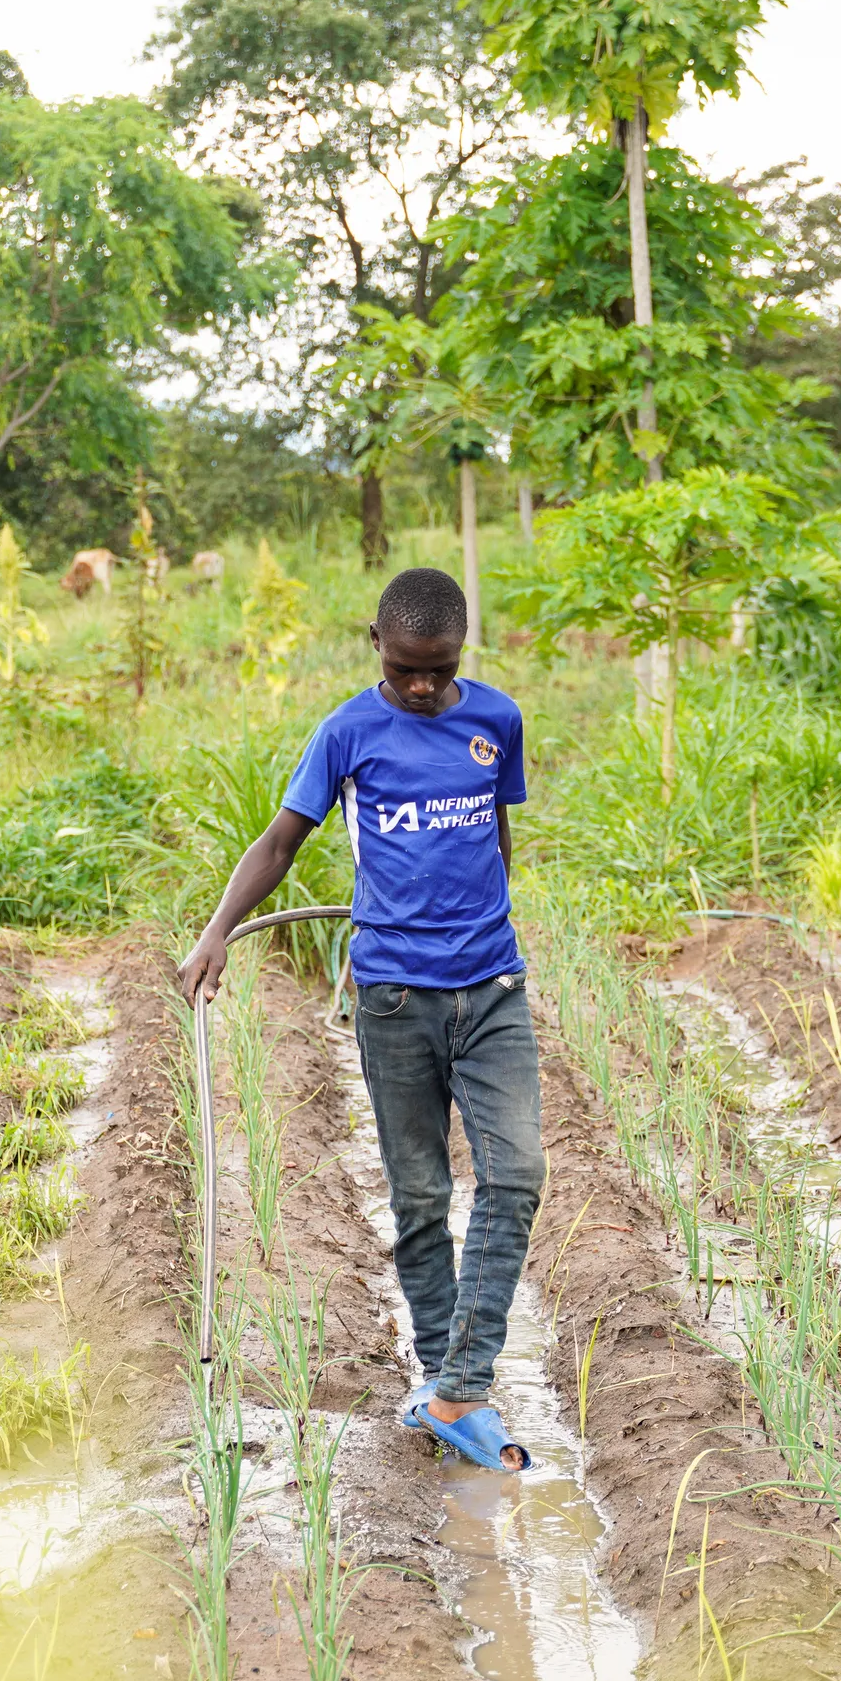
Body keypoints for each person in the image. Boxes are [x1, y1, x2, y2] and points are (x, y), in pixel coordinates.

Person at [179, 566, 543, 1471]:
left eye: (440, 669)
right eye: (407, 669)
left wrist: (484, 912)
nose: (423, 687)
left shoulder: (495, 721)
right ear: (374, 643)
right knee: (419, 1196)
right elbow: (280, 840)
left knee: (517, 1174)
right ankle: (442, 1375)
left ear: (462, 651)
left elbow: (497, 834)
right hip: (391, 995)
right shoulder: (347, 731)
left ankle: (462, 1385)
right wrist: (218, 932)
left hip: (492, 986)